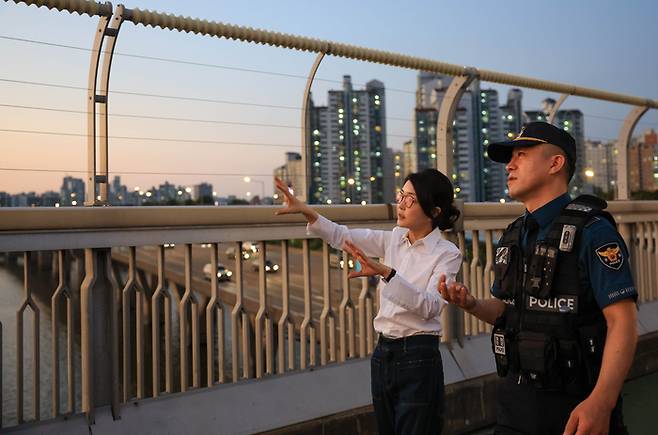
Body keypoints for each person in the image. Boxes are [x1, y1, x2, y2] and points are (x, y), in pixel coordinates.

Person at [438, 121, 637, 435]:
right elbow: (510, 312)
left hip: (575, 408)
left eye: (521, 155)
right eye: (510, 158)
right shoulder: (514, 234)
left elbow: (622, 322)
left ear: (555, 163)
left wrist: (602, 401)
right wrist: (472, 304)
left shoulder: (593, 232)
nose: (510, 166)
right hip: (514, 406)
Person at [275, 169, 462, 435]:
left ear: (433, 211)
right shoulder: (395, 238)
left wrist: (385, 272)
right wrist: (306, 210)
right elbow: (344, 237)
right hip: (383, 353)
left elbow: (431, 306)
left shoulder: (447, 253)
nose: (401, 203)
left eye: (411, 199)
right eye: (401, 195)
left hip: (419, 355)